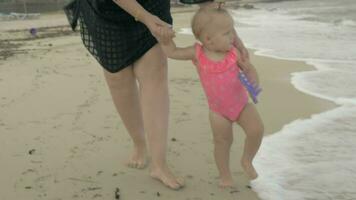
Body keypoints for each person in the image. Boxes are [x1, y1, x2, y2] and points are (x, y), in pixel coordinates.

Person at [64, 0, 183, 189]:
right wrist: (144, 17)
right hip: (105, 11)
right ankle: (139, 143)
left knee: (154, 73)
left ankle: (159, 164)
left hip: (152, 5)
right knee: (118, 77)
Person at [156, 7, 264, 188]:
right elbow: (173, 52)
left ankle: (247, 160)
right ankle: (225, 175)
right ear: (208, 40)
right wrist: (165, 41)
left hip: (241, 104)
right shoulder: (197, 53)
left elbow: (251, 76)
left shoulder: (233, 54)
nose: (233, 37)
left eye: (232, 31)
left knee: (256, 130)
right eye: (227, 33)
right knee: (222, 143)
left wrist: (250, 72)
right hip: (218, 112)